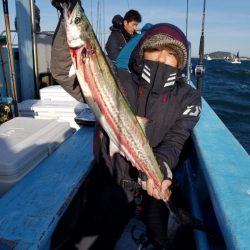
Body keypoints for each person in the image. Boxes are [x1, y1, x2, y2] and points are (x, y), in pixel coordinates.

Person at [50, 1, 202, 249]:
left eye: (172, 54)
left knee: (167, 242)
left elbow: (177, 140)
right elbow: (62, 71)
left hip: (153, 183)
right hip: (110, 179)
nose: (163, 59)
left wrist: (160, 169)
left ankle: (172, 220)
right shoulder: (120, 79)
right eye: (156, 50)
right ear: (142, 52)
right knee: (79, 242)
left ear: (181, 62)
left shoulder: (188, 98)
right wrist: (65, 18)